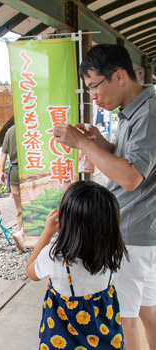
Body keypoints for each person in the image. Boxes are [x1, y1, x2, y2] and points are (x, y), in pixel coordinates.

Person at [53, 43, 156, 350]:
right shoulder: (134, 111)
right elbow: (131, 162)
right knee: (147, 309)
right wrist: (100, 142)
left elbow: (130, 177)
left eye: (94, 86)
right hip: (142, 232)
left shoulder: (149, 113)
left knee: (124, 318)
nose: (93, 95)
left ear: (120, 76)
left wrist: (83, 145)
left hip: (132, 232)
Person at [27, 181, 128, 349]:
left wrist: (47, 232)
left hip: (63, 339)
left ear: (68, 220)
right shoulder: (112, 251)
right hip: (105, 337)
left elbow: (31, 271)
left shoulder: (54, 257)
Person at [0, 125, 25, 252]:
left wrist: (1, 171)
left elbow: (3, 154)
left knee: (20, 210)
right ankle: (29, 237)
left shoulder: (10, 130)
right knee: (34, 208)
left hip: (15, 174)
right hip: (32, 173)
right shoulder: (32, 127)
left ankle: (21, 239)